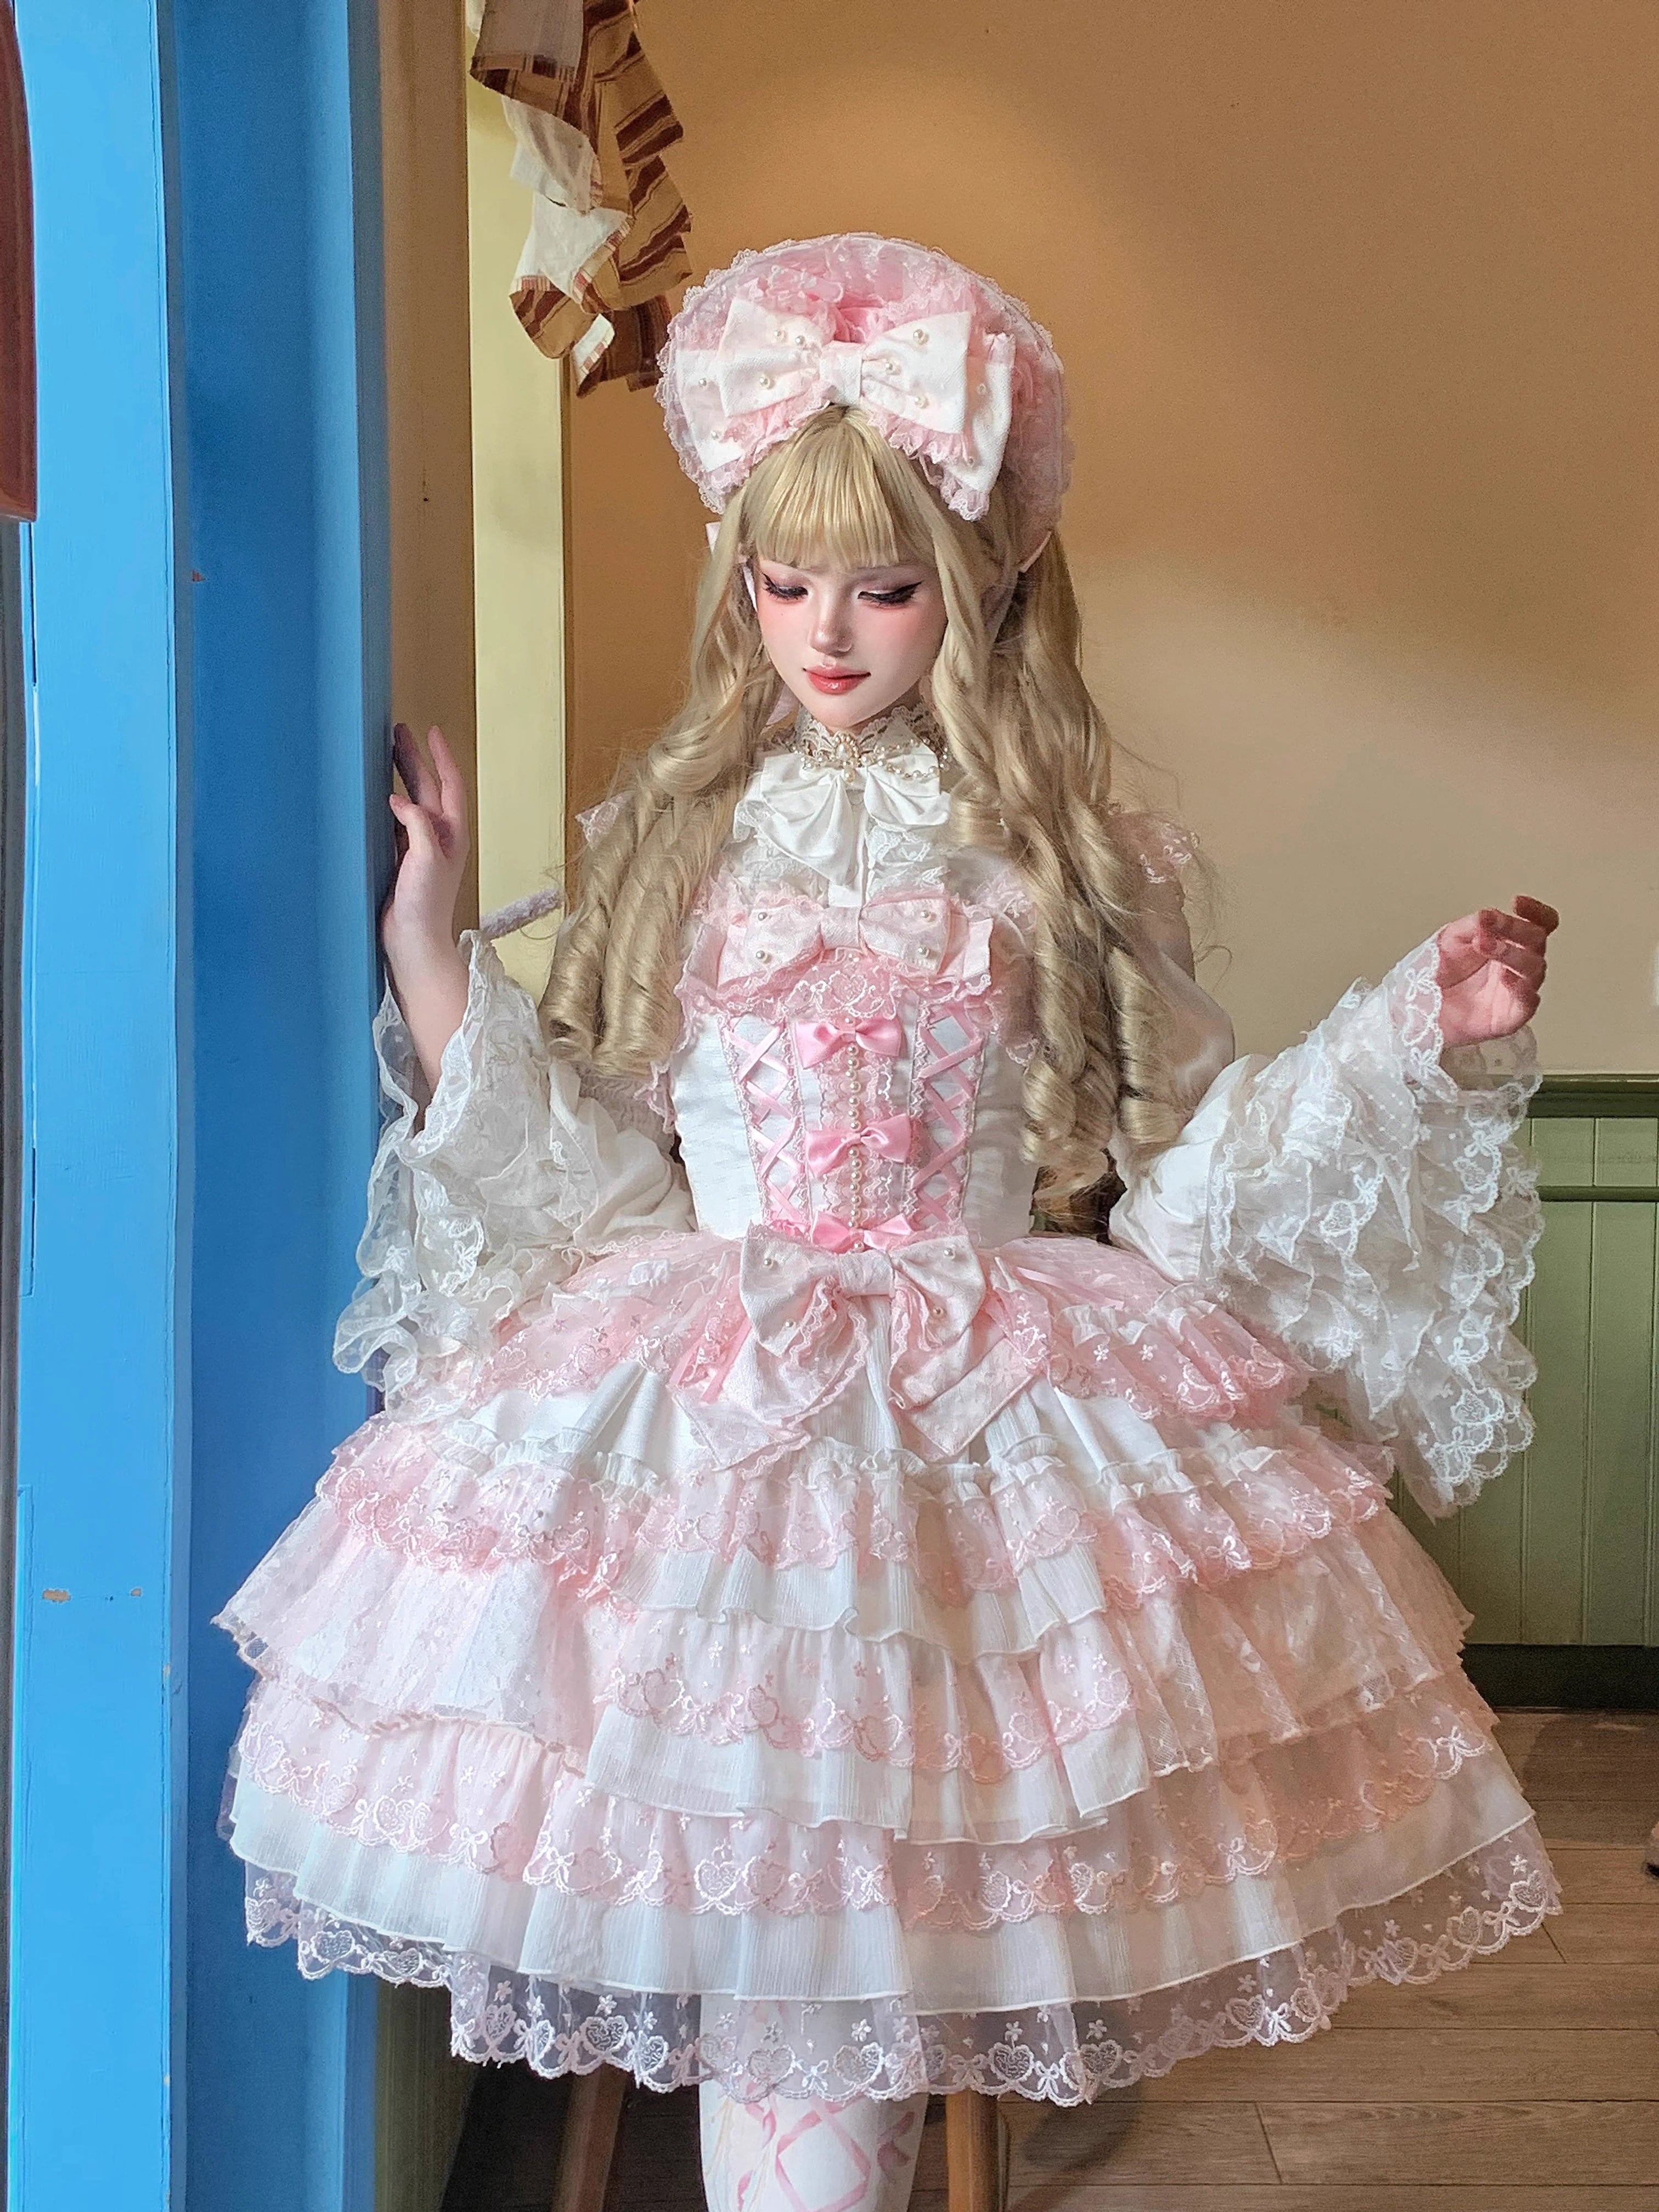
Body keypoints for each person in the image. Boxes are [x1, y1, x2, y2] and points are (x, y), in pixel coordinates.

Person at [217, 235, 1562, 2212]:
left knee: (907, 1920)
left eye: (884, 583)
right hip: (719, 1420)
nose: (826, 632)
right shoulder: (672, 838)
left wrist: (1407, 1040)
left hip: (988, 1418)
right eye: (783, 582)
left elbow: (1194, 1188)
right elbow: (588, 1190)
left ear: (979, 582)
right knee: (787, 1918)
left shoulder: (1073, 859)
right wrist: (430, 939)